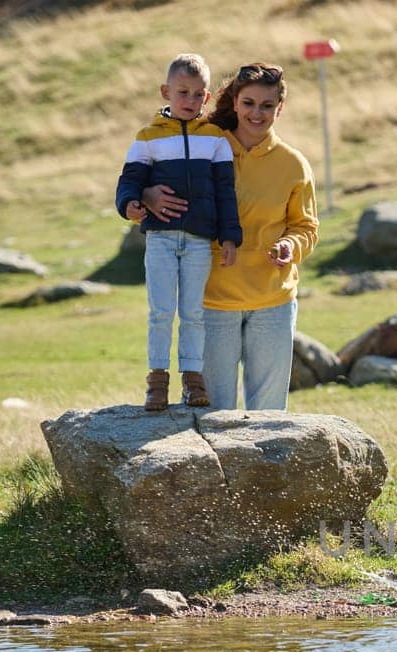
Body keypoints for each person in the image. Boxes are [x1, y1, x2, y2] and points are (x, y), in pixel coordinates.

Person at [141, 62, 317, 411]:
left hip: (273, 303)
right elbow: (149, 170)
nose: (257, 113)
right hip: (212, 301)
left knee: (269, 415)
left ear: (279, 108)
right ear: (234, 102)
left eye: (267, 106)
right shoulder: (204, 144)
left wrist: (290, 246)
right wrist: (146, 196)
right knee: (210, 412)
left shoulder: (293, 164)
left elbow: (306, 227)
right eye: (249, 103)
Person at [116, 53, 241, 411]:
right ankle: (157, 382)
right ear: (165, 92)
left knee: (193, 313)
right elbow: (130, 181)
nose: (191, 101)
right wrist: (132, 202)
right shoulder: (148, 138)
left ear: (207, 97)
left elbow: (225, 192)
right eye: (182, 93)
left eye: (199, 94)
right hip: (160, 239)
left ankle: (192, 380)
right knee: (160, 311)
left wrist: (229, 235)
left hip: (200, 241)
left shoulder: (216, 140)